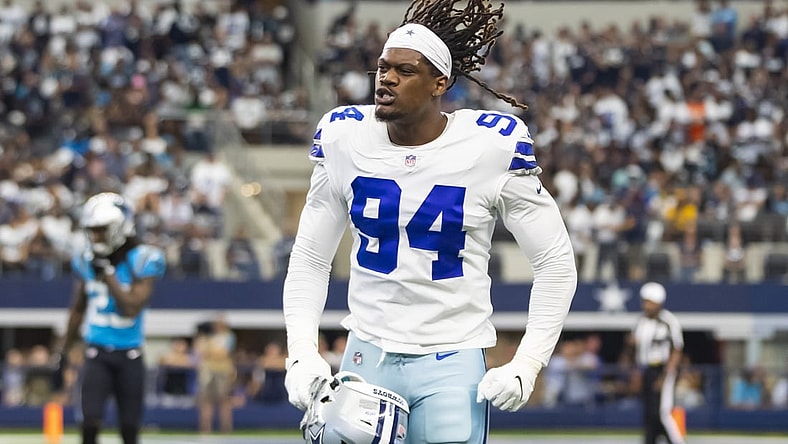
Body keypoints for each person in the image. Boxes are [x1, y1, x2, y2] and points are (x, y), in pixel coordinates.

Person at [282, 1, 577, 442]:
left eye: (405, 71)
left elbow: (555, 263)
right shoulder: (345, 136)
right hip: (367, 352)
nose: (387, 79)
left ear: (440, 83)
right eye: (383, 68)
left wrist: (527, 363)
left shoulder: (491, 146)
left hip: (451, 360)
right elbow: (309, 257)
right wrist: (301, 352)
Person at [59, 192, 166, 444]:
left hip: (130, 353)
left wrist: (108, 275)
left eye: (102, 230)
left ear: (119, 227)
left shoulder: (142, 258)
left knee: (129, 428)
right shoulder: (85, 260)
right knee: (89, 421)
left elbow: (131, 307)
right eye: (92, 230)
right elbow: (77, 309)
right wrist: (63, 350)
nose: (95, 237)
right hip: (96, 351)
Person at [628, 282, 686, 444]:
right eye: (644, 301)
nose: (645, 305)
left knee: (664, 413)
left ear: (658, 302)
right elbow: (635, 348)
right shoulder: (640, 322)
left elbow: (677, 349)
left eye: (649, 302)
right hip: (646, 369)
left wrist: (665, 375)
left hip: (662, 369)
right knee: (649, 413)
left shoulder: (668, 321)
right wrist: (636, 371)